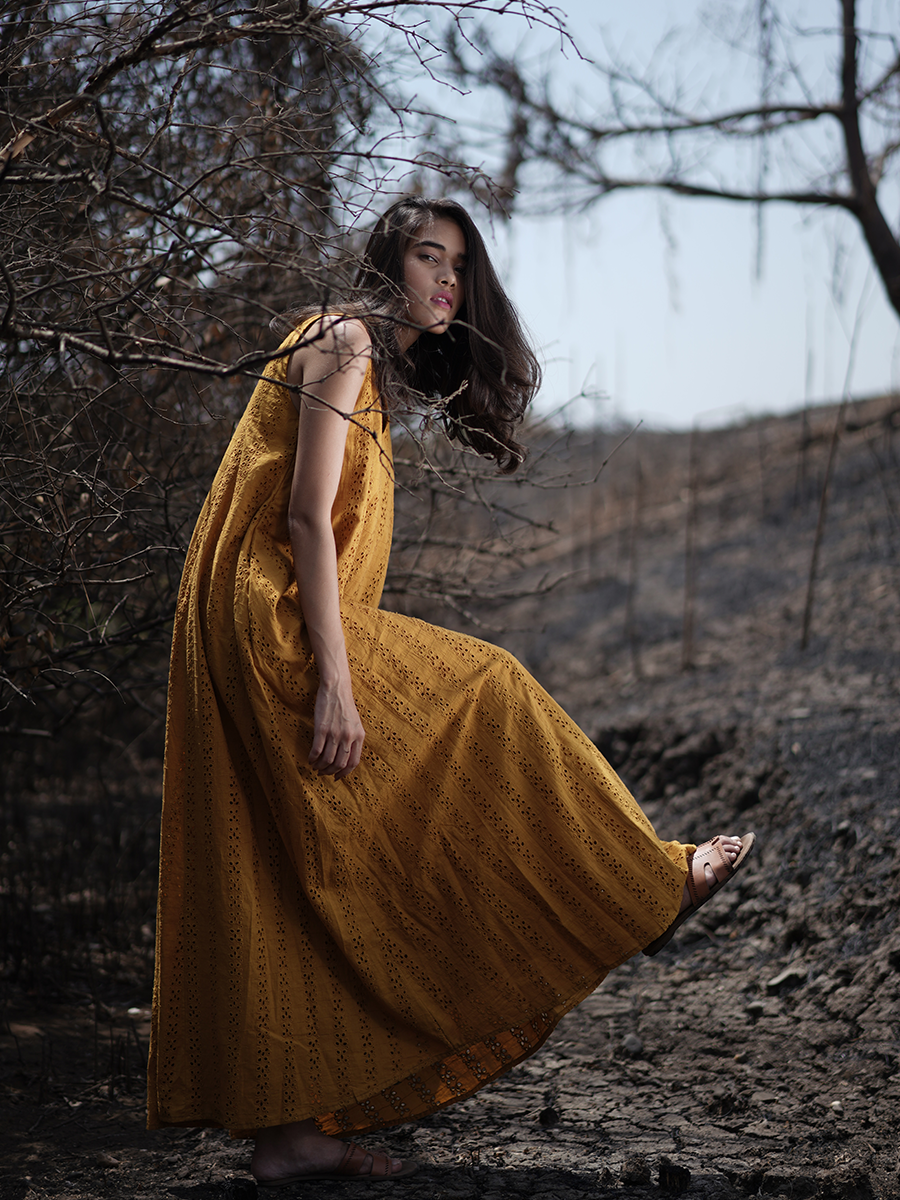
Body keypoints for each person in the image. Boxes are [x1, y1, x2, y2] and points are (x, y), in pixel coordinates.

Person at [147, 196, 755, 1186]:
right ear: (388, 263)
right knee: (489, 694)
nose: (447, 280)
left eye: (461, 266)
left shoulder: (367, 367)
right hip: (272, 625)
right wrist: (336, 687)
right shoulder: (343, 338)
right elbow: (304, 518)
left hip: (247, 622)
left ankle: (285, 1135)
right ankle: (651, 881)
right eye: (429, 257)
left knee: (283, 856)